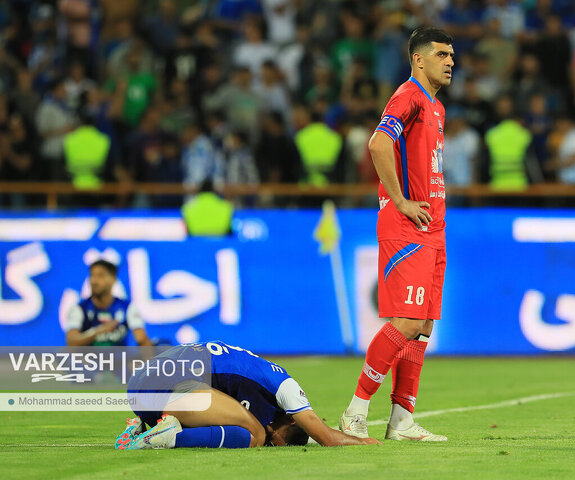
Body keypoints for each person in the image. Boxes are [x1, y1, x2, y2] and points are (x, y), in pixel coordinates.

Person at [338, 27, 453, 443]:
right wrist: (401, 200)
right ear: (418, 59)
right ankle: (355, 411)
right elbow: (378, 143)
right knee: (405, 320)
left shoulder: (435, 107)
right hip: (408, 226)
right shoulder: (407, 96)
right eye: (441, 54)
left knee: (422, 325)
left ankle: (402, 420)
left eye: (451, 55)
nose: (450, 61)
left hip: (433, 229)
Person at [118, 341, 380, 449]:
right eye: (276, 437)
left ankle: (142, 428)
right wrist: (362, 442)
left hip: (143, 389)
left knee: (234, 423)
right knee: (254, 433)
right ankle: (162, 438)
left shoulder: (257, 384)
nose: (270, 439)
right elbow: (324, 436)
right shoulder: (286, 387)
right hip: (165, 383)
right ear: (290, 419)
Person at [65, 260, 152, 347]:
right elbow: (71, 342)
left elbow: (141, 339)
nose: (94, 281)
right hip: (88, 360)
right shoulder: (79, 309)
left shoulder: (127, 307)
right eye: (92, 275)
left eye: (100, 276)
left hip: (119, 359)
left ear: (113, 279)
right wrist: (97, 332)